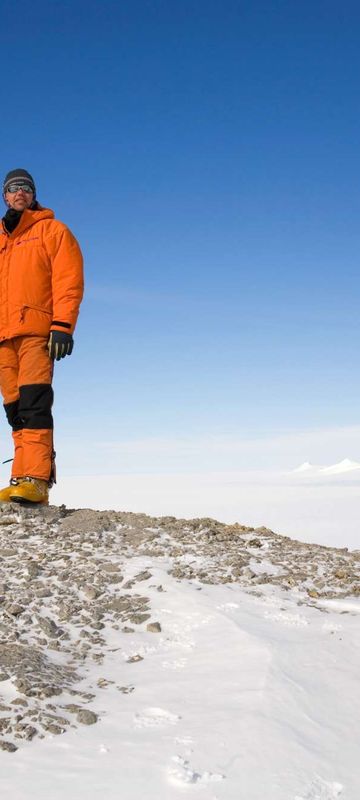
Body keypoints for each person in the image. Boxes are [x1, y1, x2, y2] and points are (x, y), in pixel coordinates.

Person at [0, 168, 84, 504]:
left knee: (35, 403)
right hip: (3, 337)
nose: (19, 192)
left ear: (33, 195)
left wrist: (62, 325)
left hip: (36, 331)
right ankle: (21, 476)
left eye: (25, 188)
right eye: (12, 188)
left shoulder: (53, 231)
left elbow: (69, 280)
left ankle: (36, 479)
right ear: (5, 196)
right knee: (14, 410)